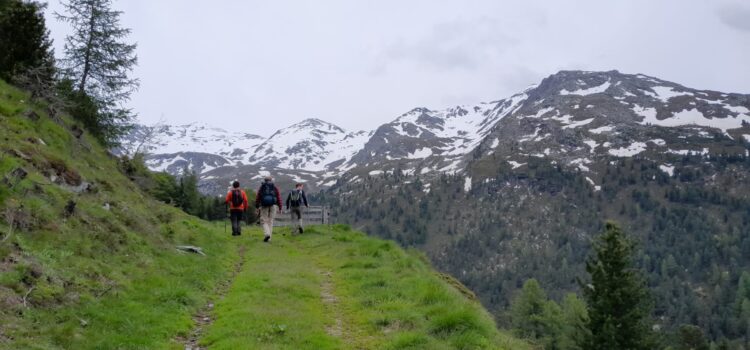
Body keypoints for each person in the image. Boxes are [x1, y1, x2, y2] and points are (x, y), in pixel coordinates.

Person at [255, 175, 282, 242]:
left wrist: (257, 206)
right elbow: (278, 197)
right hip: (273, 205)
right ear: (271, 180)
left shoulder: (262, 187)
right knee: (270, 221)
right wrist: (280, 207)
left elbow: (258, 197)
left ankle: (267, 234)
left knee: (264, 220)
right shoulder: (274, 187)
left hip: (264, 205)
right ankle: (269, 238)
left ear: (265, 180)